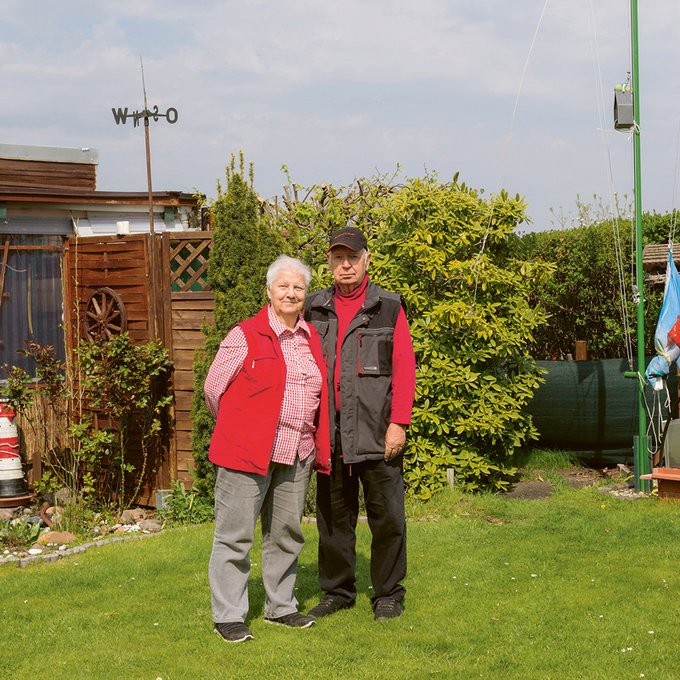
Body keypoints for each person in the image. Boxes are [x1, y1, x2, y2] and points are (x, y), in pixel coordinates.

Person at [205, 254, 331, 643]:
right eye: (284, 286)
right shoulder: (244, 334)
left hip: (297, 451)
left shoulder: (311, 338)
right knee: (234, 536)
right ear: (269, 291)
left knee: (286, 535)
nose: (291, 293)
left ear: (305, 294)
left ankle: (282, 607)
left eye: (298, 287)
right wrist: (240, 429)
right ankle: (229, 615)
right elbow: (214, 390)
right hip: (246, 453)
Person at [304, 226, 416, 621]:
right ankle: (338, 591)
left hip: (376, 430)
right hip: (329, 434)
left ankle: (388, 593)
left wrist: (399, 423)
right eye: (338, 258)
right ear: (330, 263)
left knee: (387, 519)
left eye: (352, 257)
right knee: (334, 520)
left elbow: (405, 369)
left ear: (367, 259)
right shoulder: (313, 308)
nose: (345, 264)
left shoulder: (388, 306)